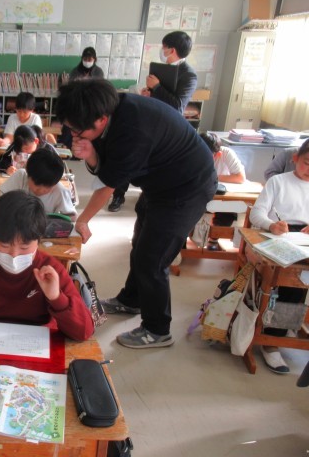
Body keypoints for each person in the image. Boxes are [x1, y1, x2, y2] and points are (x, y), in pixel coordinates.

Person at [56, 79, 216, 349]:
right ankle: (131, 300)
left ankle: (158, 329)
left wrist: (82, 220)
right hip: (159, 184)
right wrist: (91, 154)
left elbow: (108, 185)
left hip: (187, 188)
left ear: (101, 120)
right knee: (140, 243)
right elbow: (105, 168)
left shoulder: (133, 130)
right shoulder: (109, 110)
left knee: (152, 258)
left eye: (77, 129)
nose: (73, 134)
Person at [0, 190, 93, 341]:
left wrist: (56, 297)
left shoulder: (51, 271)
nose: (14, 254)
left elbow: (84, 332)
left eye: (24, 247)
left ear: (38, 240)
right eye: (4, 245)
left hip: (36, 344)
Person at [109, 31, 198, 213]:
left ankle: (148, 197)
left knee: (155, 164)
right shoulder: (161, 69)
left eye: (164, 47)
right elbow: (156, 96)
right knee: (129, 155)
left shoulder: (189, 75)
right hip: (149, 120)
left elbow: (178, 106)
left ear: (172, 50)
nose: (162, 50)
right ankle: (118, 195)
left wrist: (156, 86)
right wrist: (148, 94)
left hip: (167, 129)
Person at [248, 139, 309, 374]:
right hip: (278, 239)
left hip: (304, 241)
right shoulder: (278, 182)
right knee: (292, 281)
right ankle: (272, 340)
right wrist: (272, 225)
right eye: (307, 163)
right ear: (295, 159)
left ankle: (289, 323)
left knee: (299, 282)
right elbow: (256, 214)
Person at [199, 132, 246, 251]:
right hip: (199, 194)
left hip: (220, 196)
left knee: (230, 208)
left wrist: (212, 177)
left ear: (218, 154)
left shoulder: (227, 153)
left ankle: (214, 238)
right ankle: (184, 241)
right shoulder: (193, 152)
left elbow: (240, 177)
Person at [0, 149, 76, 219]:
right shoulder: (20, 177)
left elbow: (72, 217)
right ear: (28, 173)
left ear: (55, 183)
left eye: (47, 188)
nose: (41, 190)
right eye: (37, 186)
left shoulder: (60, 191)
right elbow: (2, 202)